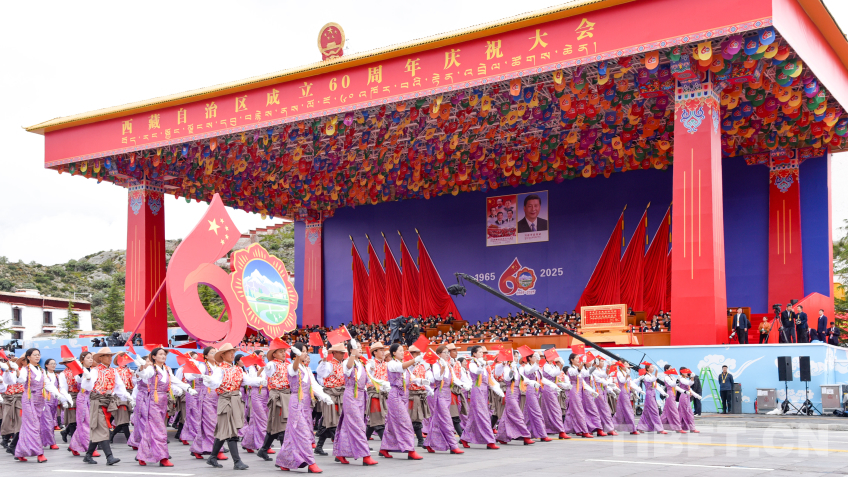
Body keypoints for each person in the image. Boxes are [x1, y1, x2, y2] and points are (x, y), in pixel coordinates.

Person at [202, 342, 263, 471]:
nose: (232, 354)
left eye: (233, 352)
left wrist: (260, 381)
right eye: (229, 352)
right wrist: (209, 381)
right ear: (222, 355)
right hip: (226, 399)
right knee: (231, 431)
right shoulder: (220, 369)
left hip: (235, 399)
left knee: (224, 430)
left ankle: (212, 457)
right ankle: (237, 461)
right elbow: (215, 383)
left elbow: (247, 380)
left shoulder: (238, 369)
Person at [276, 343, 333, 473]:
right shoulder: (291, 366)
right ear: (295, 353)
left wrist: (324, 396)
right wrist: (297, 356)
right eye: (302, 351)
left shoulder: (307, 369)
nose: (305, 353)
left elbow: (314, 385)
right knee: (304, 433)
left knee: (292, 434)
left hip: (306, 404)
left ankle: (284, 461)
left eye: (306, 351)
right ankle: (311, 462)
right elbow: (293, 370)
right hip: (296, 403)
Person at [2, 349, 67, 462]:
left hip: (40, 400)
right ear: (28, 357)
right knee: (34, 426)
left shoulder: (41, 370)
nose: (37, 356)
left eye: (38, 355)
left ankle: (20, 452)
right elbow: (20, 380)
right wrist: (16, 370)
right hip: (29, 399)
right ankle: (39, 453)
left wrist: (58, 395)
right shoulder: (25, 369)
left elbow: (47, 384)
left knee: (27, 427)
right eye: (35, 355)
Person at [136, 347, 193, 467]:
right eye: (160, 354)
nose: (163, 356)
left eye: (164, 354)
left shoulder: (167, 369)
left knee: (152, 429)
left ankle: (142, 455)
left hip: (163, 401)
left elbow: (174, 380)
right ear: (154, 357)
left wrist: (187, 388)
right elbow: (144, 375)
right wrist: (141, 367)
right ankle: (163, 457)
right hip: (154, 400)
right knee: (160, 430)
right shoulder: (151, 368)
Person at [80, 347, 131, 465]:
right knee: (102, 428)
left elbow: (119, 386)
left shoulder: (113, 371)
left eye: (110, 356)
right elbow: (86, 387)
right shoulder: (95, 371)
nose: (109, 358)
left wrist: (127, 396)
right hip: (97, 401)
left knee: (99, 428)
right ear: (100, 358)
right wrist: (87, 379)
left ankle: (88, 455)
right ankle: (109, 457)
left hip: (108, 402)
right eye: (107, 356)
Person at [332, 340, 378, 466]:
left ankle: (341, 453)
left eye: (360, 347)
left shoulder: (361, 363)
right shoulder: (347, 361)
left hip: (361, 397)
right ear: (351, 349)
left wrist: (372, 370)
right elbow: (348, 369)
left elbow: (368, 379)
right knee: (358, 425)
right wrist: (352, 353)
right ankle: (366, 456)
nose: (360, 349)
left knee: (348, 425)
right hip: (351, 396)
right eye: (357, 347)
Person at [378, 343, 425, 460]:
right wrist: (414, 360)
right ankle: (410, 450)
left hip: (404, 395)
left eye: (403, 350)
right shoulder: (392, 363)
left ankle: (384, 448)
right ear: (394, 353)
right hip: (395, 396)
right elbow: (401, 367)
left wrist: (421, 381)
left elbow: (410, 377)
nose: (402, 352)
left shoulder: (402, 364)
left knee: (392, 424)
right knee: (406, 422)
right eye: (400, 350)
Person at [424, 345, 464, 455]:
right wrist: (443, 367)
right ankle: (453, 445)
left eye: (448, 352)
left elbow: (453, 378)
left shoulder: (448, 365)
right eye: (445, 352)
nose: (447, 354)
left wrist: (463, 384)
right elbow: (437, 378)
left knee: (437, 420)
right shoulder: (436, 365)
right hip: (440, 394)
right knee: (446, 419)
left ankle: (428, 443)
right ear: (439, 354)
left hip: (447, 394)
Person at [460, 345, 502, 449]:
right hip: (477, 391)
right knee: (483, 415)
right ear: (474, 353)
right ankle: (490, 441)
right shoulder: (472, 364)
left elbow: (490, 379)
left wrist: (498, 390)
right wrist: (483, 365)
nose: (482, 354)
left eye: (482, 352)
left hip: (484, 391)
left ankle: (465, 438)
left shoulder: (485, 366)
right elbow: (477, 372)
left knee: (474, 417)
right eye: (480, 352)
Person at [256, 340, 288, 461]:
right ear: (274, 354)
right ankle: (285, 456)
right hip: (277, 395)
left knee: (276, 424)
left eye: (284, 351)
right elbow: (269, 370)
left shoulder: (287, 364)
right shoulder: (273, 364)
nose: (284, 353)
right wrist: (267, 366)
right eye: (281, 352)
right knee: (282, 425)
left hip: (286, 395)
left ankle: (263, 449)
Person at [494, 351, 533, 445]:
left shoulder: (515, 367)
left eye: (517, 356)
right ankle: (526, 436)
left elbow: (522, 378)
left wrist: (532, 382)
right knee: (518, 414)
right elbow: (507, 378)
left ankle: (502, 436)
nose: (516, 358)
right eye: (515, 356)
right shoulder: (507, 367)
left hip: (517, 393)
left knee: (507, 415)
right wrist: (511, 370)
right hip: (510, 393)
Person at [314, 343, 346, 456]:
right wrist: (324, 360)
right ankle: (341, 448)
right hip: (331, 394)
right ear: (334, 353)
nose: (343, 355)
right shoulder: (329, 364)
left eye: (343, 353)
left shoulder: (342, 364)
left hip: (340, 394)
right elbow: (321, 372)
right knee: (333, 421)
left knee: (329, 420)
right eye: (341, 353)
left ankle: (319, 446)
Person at [519, 351, 555, 442]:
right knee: (537, 412)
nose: (537, 358)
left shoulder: (537, 368)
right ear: (529, 358)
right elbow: (529, 371)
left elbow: (542, 379)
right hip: (530, 390)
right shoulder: (526, 367)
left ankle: (525, 433)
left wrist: (552, 385)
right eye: (535, 356)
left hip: (537, 391)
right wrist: (537, 363)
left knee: (528, 413)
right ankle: (543, 435)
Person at [67, 351, 95, 458]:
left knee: (89, 422)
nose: (91, 359)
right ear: (82, 360)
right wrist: (82, 371)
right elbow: (78, 379)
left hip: (92, 398)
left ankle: (74, 445)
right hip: (83, 398)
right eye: (88, 358)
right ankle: (90, 448)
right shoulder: (79, 371)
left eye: (91, 358)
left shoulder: (94, 370)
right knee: (86, 422)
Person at [406, 344, 431, 449]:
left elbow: (424, 379)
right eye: (416, 353)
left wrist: (428, 389)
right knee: (415, 417)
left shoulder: (421, 366)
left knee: (418, 416)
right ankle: (420, 440)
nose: (419, 355)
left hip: (421, 392)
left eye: (419, 353)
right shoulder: (408, 365)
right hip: (413, 393)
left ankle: (419, 439)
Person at [539, 355, 568, 440]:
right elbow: (553, 373)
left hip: (553, 388)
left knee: (548, 410)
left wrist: (560, 365)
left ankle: (547, 429)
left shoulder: (552, 365)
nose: (553, 357)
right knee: (556, 410)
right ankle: (561, 431)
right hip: (548, 388)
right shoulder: (546, 366)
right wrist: (560, 365)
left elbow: (557, 373)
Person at [563, 353, 592, 438]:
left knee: (573, 411)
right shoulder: (570, 369)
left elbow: (588, 374)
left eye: (579, 359)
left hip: (580, 391)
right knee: (579, 411)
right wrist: (582, 364)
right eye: (577, 358)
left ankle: (576, 429)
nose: (578, 360)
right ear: (572, 360)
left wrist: (594, 366)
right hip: (574, 391)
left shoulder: (580, 369)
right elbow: (576, 372)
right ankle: (584, 431)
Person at [364, 342, 388, 442]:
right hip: (374, 393)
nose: (383, 352)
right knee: (377, 419)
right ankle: (385, 444)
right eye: (381, 350)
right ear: (375, 352)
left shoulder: (386, 364)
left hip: (384, 394)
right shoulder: (370, 364)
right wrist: (371, 368)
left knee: (373, 420)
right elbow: (368, 378)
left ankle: (363, 443)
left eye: (383, 350)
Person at [635, 364, 667, 434]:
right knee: (655, 411)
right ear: (647, 369)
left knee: (646, 412)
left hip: (653, 394)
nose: (653, 368)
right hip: (649, 395)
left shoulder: (651, 376)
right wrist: (657, 371)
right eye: (651, 367)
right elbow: (653, 379)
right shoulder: (646, 376)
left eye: (653, 367)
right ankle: (659, 428)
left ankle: (640, 427)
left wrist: (663, 393)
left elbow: (656, 386)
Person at [110, 352, 134, 444]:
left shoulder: (130, 371)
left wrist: (134, 376)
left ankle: (112, 435)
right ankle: (129, 440)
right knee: (124, 420)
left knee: (124, 419)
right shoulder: (115, 371)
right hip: (120, 396)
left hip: (129, 395)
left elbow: (134, 384)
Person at [612, 361, 642, 435]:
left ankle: (612, 427)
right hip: (623, 393)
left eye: (627, 364)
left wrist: (639, 390)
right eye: (625, 364)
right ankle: (632, 429)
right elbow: (622, 381)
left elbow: (630, 383)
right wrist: (627, 374)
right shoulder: (619, 373)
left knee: (620, 412)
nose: (627, 365)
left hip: (627, 393)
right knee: (629, 411)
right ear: (621, 366)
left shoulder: (625, 373)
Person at [41, 358, 62, 451]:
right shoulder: (43, 374)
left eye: (54, 363)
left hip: (54, 401)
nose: (53, 365)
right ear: (46, 365)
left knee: (51, 421)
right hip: (45, 400)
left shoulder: (57, 376)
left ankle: (43, 440)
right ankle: (52, 442)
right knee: (48, 421)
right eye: (51, 363)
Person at [58, 356, 80, 443]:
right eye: (69, 362)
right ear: (65, 364)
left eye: (72, 361)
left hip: (81, 395)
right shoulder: (63, 374)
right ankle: (74, 439)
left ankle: (65, 432)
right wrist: (65, 399)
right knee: (72, 418)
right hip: (71, 395)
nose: (71, 363)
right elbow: (63, 387)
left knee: (80, 418)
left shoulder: (79, 370)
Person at [659, 366, 686, 433]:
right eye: (670, 368)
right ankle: (678, 428)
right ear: (666, 369)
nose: (672, 369)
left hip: (673, 394)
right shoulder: (666, 377)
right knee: (674, 411)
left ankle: (659, 427)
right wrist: (677, 380)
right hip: (670, 394)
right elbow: (672, 384)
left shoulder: (671, 377)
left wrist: (684, 391)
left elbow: (676, 387)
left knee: (665, 412)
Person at [676, 369, 701, 433]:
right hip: (683, 397)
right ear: (682, 373)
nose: (687, 373)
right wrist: (692, 377)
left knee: (687, 412)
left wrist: (696, 395)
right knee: (684, 413)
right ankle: (680, 428)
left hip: (687, 397)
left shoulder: (685, 379)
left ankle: (690, 428)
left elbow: (690, 389)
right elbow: (689, 383)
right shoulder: (682, 379)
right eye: (686, 372)